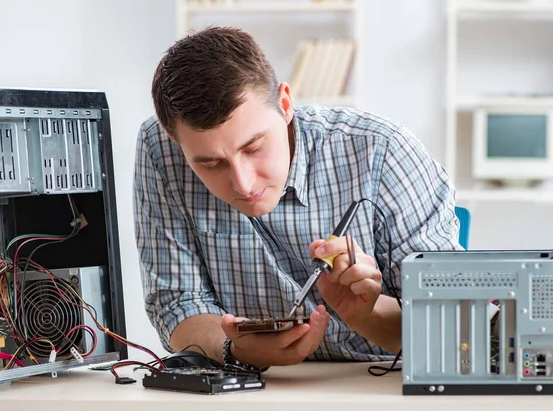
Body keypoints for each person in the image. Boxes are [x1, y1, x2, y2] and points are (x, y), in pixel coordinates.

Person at [133, 26, 462, 370]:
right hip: (247, 387)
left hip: (375, 382)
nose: (243, 184)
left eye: (254, 147)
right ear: (175, 141)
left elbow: (454, 326)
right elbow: (176, 303)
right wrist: (234, 349)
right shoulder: (160, 150)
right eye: (211, 164)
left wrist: (367, 312)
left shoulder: (382, 150)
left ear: (285, 104)